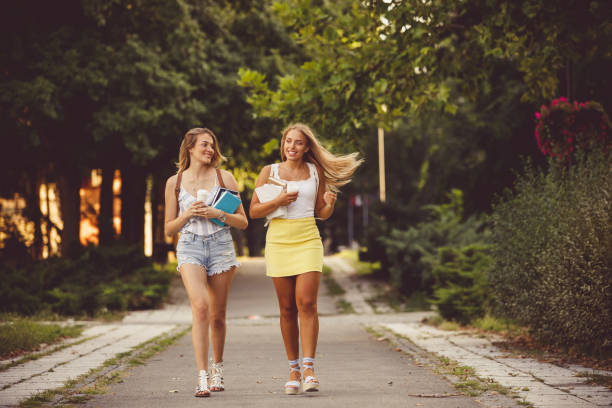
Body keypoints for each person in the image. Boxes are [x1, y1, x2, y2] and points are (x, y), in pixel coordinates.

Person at [249, 123, 363, 395]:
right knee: (287, 308)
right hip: (278, 240)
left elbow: (320, 213)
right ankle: (293, 369)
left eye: (298, 142)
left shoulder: (315, 172)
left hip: (308, 239)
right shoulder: (269, 172)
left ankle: (309, 367)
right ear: (283, 144)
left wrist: (330, 204)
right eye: (288, 141)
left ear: (307, 147)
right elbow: (253, 211)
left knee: (307, 303)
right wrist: (278, 201)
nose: (292, 146)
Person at [164, 127, 248, 397]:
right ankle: (201, 376)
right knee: (200, 307)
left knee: (218, 316)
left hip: (221, 246)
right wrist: (188, 213)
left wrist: (217, 213)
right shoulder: (174, 183)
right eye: (204, 145)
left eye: (212, 145)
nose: (210, 150)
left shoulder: (225, 178)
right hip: (190, 246)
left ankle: (217, 368)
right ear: (189, 148)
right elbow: (169, 228)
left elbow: (243, 222)